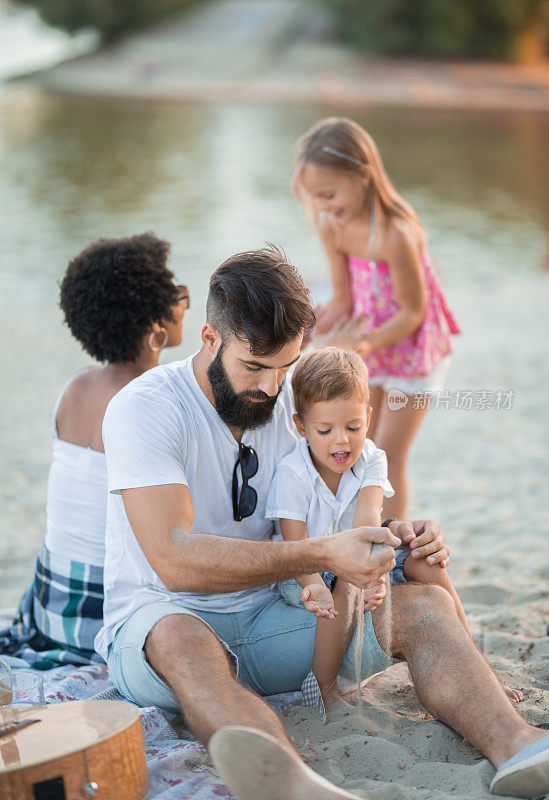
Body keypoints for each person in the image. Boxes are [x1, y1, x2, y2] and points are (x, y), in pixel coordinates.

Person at [95, 246, 547, 800]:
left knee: (425, 606)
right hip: (162, 634)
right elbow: (173, 560)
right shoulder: (145, 408)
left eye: (285, 366)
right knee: (182, 637)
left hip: (280, 620)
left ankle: (520, 747)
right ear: (210, 338)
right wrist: (322, 555)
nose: (270, 387)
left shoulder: (291, 402)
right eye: (254, 367)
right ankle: (295, 785)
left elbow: (348, 503)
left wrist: (397, 533)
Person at [266, 347, 521, 713]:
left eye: (353, 427)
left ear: (368, 418)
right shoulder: (293, 474)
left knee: (424, 561)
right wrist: (315, 585)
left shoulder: (371, 457)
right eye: (326, 430)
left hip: (360, 548)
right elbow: (294, 546)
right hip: (305, 568)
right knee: (342, 582)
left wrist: (378, 571)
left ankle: (480, 665)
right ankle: (323, 686)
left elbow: (368, 518)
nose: (342, 441)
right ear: (302, 426)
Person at [0, 233, 189, 668]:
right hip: (101, 621)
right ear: (153, 325)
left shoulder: (75, 388)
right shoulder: (155, 404)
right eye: (178, 295)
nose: (183, 303)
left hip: (50, 604)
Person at [293, 117, 460, 520]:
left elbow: (413, 312)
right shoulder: (332, 226)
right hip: (372, 347)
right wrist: (305, 329)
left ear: (362, 174)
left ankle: (393, 543)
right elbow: (345, 301)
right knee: (363, 449)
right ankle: (362, 533)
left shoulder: (395, 233)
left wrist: (359, 347)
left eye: (330, 193)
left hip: (410, 351)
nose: (325, 206)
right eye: (316, 198)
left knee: (387, 453)